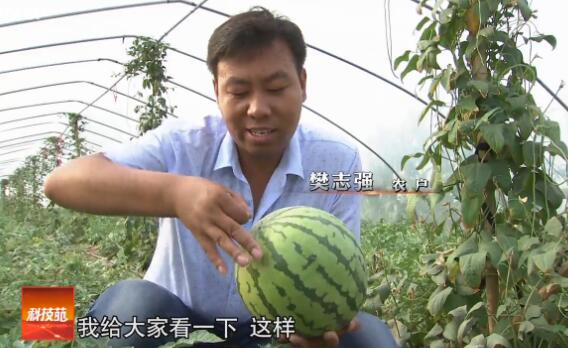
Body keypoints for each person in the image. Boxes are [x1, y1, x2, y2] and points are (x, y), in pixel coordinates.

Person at [44, 7, 398, 348]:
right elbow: (62, 182)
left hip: (274, 330)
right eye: (239, 92)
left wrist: (319, 326)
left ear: (302, 84)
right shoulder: (184, 144)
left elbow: (339, 276)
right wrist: (176, 194)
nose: (258, 108)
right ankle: (45, 327)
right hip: (174, 322)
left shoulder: (337, 161)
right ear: (217, 91)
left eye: (275, 88)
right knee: (134, 305)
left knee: (367, 337)